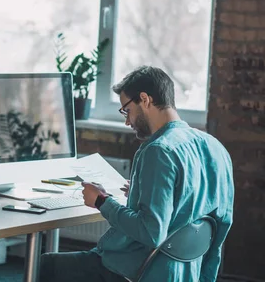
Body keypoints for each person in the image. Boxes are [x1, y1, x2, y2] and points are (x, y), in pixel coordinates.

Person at [40, 66, 234, 282]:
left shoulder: (159, 150)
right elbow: (218, 220)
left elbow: (151, 233)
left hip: (140, 271)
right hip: (188, 272)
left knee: (46, 265)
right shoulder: (215, 147)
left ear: (145, 99)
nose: (127, 121)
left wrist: (102, 201)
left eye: (126, 110)